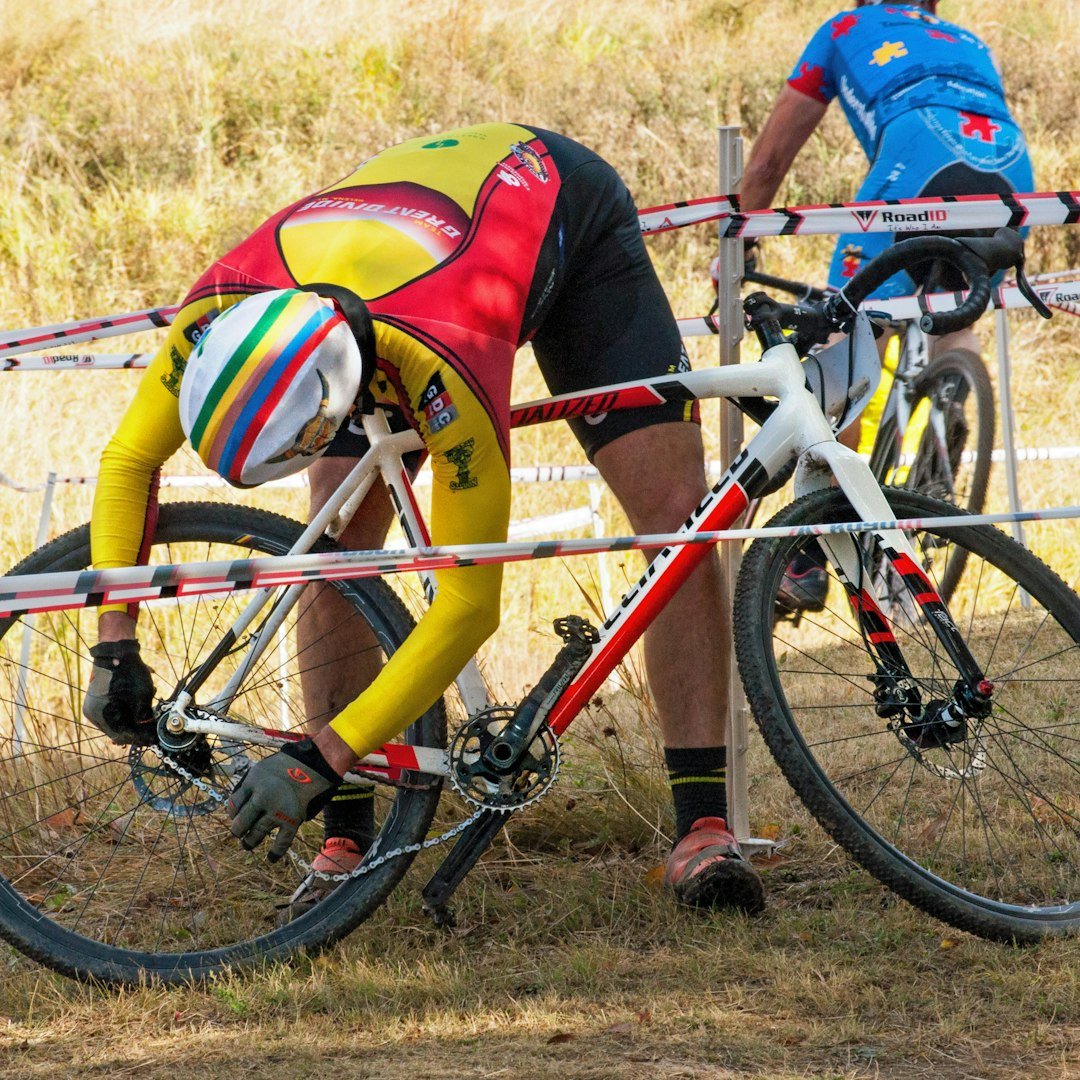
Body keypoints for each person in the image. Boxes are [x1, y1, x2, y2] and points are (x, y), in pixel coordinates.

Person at [81, 123, 766, 913]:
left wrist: (323, 753)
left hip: (552, 218)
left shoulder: (447, 360)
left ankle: (703, 827)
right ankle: (347, 837)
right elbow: (129, 461)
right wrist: (113, 642)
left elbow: (470, 604)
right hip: (366, 270)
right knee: (336, 547)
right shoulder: (219, 307)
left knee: (676, 515)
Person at [739, 0, 1034, 611]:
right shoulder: (965, 37)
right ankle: (953, 386)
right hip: (1008, 162)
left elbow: (769, 160)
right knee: (952, 306)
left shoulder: (844, 27)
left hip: (917, 149)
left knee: (849, 331)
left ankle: (810, 551)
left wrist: (738, 241)